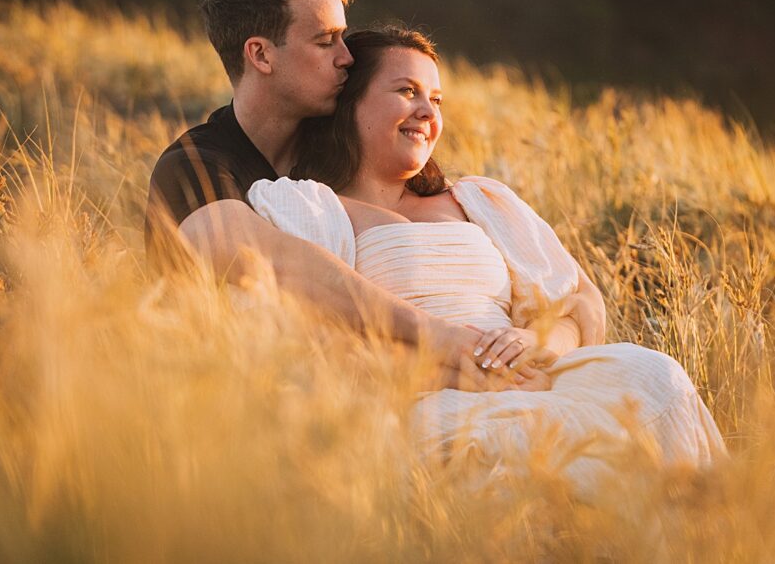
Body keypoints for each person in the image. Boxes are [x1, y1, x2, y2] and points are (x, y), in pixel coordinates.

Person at [245, 26, 726, 498]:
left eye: (436, 99)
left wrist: (539, 344)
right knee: (500, 441)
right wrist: (457, 373)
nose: (426, 111)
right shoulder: (315, 207)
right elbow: (309, 343)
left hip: (532, 378)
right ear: (351, 104)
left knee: (655, 376)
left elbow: (582, 301)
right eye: (407, 91)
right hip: (425, 395)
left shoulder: (478, 200)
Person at [145, 0, 485, 386]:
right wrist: (440, 337)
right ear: (261, 55)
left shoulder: (343, 149)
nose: (347, 57)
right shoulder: (194, 166)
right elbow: (273, 264)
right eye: (326, 41)